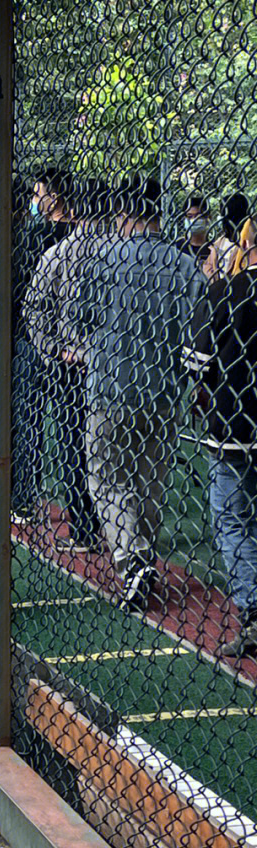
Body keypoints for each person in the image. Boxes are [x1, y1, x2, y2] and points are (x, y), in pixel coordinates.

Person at [66, 174, 205, 610]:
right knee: (148, 483)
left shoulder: (105, 258)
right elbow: (198, 330)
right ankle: (142, 560)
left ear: (123, 214)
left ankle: (132, 560)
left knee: (106, 479)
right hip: (163, 390)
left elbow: (78, 316)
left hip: (110, 385)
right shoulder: (184, 265)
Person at [22, 176, 112, 552]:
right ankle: (115, 531)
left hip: (70, 366)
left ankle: (86, 528)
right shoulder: (117, 252)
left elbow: (33, 309)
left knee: (73, 446)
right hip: (113, 367)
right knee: (110, 452)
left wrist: (54, 350)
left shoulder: (59, 254)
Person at [191, 218, 257, 656]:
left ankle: (253, 610)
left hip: (233, 426)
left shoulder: (224, 293)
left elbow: (197, 362)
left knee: (231, 518)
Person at [12, 168, 73, 523]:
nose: (36, 201)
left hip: (34, 339)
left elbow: (25, 290)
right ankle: (83, 511)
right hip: (71, 343)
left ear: (55, 196)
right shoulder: (82, 239)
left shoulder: (34, 235)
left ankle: (23, 499)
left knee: (29, 420)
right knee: (68, 426)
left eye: (40, 194)